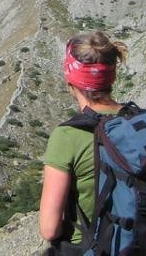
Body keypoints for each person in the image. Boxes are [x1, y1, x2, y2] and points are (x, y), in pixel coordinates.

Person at [38, 31, 128, 254]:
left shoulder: (67, 137)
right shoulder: (136, 121)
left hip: (93, 247)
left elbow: (49, 229)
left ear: (71, 79)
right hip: (141, 240)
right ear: (112, 77)